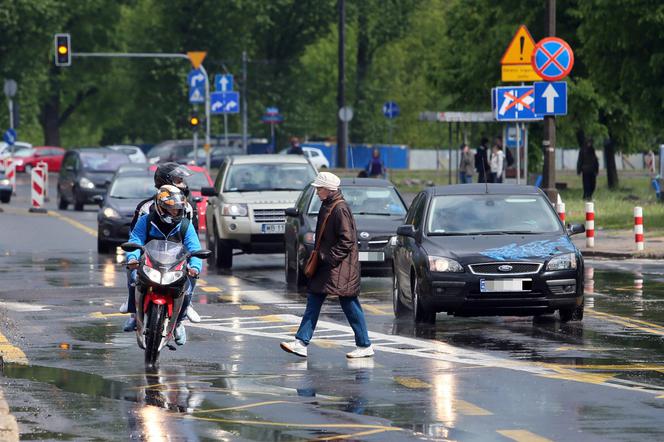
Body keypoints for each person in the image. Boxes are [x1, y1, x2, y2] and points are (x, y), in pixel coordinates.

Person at [280, 172, 373, 359]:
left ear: (329, 190)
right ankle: (301, 342)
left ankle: (364, 345)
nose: (316, 193)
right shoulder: (330, 205)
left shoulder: (339, 209)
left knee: (349, 303)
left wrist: (329, 258)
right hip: (330, 266)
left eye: (319, 189)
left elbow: (347, 240)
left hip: (338, 267)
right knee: (314, 300)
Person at [121, 162, 199, 332]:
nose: (183, 184)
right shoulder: (145, 209)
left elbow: (193, 239)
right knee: (133, 275)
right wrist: (134, 257)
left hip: (176, 259)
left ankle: (182, 314)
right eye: (178, 180)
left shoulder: (188, 208)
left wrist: (193, 264)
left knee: (189, 279)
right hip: (150, 258)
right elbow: (135, 236)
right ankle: (134, 311)